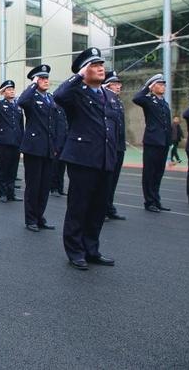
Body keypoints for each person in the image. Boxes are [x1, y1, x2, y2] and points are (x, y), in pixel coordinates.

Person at [53, 47, 118, 270]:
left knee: (98, 208)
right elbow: (58, 95)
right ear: (84, 70)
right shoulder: (76, 93)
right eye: (94, 65)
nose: (100, 68)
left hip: (105, 158)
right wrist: (78, 76)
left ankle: (92, 249)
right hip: (82, 158)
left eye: (101, 64)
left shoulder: (109, 95)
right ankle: (75, 251)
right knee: (78, 207)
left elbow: (112, 126)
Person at [18, 65, 57, 232]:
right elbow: (21, 101)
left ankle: (40, 216)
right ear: (35, 80)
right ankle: (31, 219)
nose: (45, 80)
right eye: (41, 78)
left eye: (46, 78)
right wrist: (33, 85)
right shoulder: (31, 97)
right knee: (33, 185)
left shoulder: (50, 98)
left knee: (44, 185)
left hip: (48, 147)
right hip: (34, 148)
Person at [132, 73, 172, 213]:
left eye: (163, 85)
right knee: (149, 173)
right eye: (160, 84)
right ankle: (149, 202)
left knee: (158, 173)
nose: (163, 87)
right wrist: (146, 89)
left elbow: (167, 123)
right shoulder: (148, 100)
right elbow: (136, 98)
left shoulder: (164, 103)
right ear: (152, 86)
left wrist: (170, 140)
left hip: (164, 142)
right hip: (152, 141)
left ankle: (156, 199)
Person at [0, 80, 24, 203]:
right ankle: (3, 193)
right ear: (3, 92)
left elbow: (21, 125)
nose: (11, 91)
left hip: (16, 141)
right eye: (8, 89)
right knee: (3, 169)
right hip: (4, 141)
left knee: (13, 169)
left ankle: (11, 193)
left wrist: (22, 140)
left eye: (12, 89)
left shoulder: (18, 106)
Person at [103, 71, 127, 221]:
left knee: (114, 180)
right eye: (115, 83)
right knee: (106, 180)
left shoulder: (118, 102)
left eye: (119, 83)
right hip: (109, 146)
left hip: (119, 145)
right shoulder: (104, 99)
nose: (118, 86)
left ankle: (109, 207)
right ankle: (102, 209)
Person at [49, 103, 67, 196]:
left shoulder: (66, 109)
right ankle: (53, 188)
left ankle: (60, 187)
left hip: (65, 142)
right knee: (55, 166)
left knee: (62, 167)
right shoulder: (55, 109)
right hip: (56, 142)